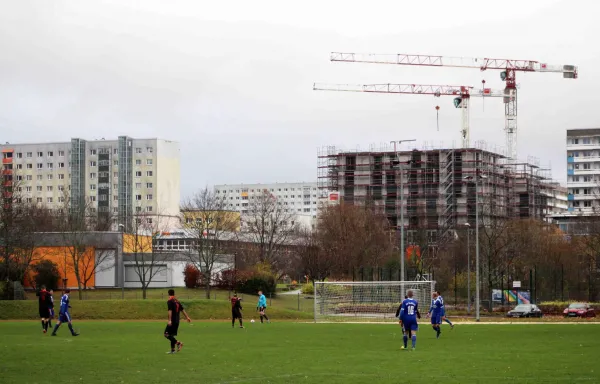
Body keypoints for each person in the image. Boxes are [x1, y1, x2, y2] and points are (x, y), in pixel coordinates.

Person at [164, 289, 191, 354]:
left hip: (172, 320)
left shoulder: (170, 301)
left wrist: (170, 320)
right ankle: (173, 350)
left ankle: (178, 343)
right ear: (174, 293)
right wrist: (187, 317)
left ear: (168, 294)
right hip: (177, 321)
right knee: (171, 335)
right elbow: (182, 310)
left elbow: (170, 311)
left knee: (166, 334)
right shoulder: (177, 301)